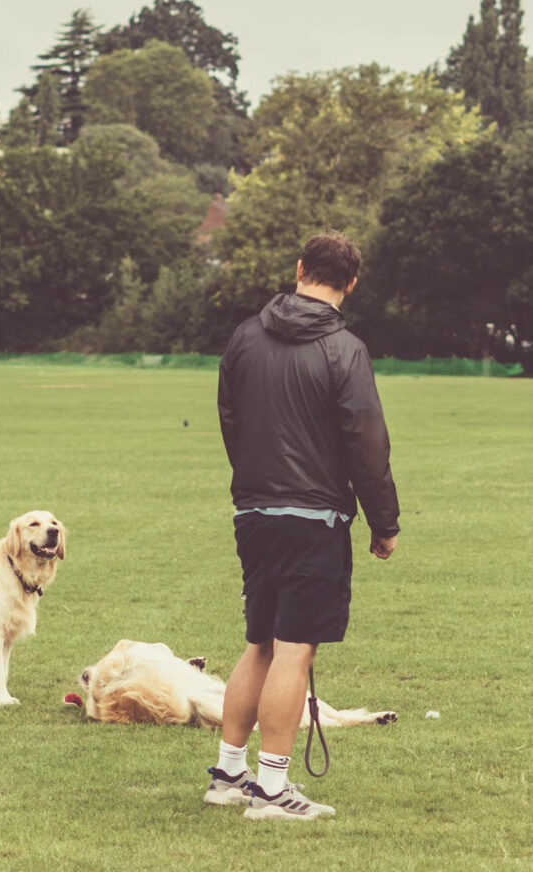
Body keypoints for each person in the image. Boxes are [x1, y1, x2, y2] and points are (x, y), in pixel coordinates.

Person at [205, 231, 400, 821]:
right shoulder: (345, 348)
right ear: (351, 283)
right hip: (313, 516)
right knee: (294, 650)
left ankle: (228, 774)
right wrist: (384, 523)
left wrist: (254, 483)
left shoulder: (244, 336)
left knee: (259, 642)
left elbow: (230, 417)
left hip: (255, 511)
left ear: (299, 269)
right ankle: (270, 790)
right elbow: (366, 443)